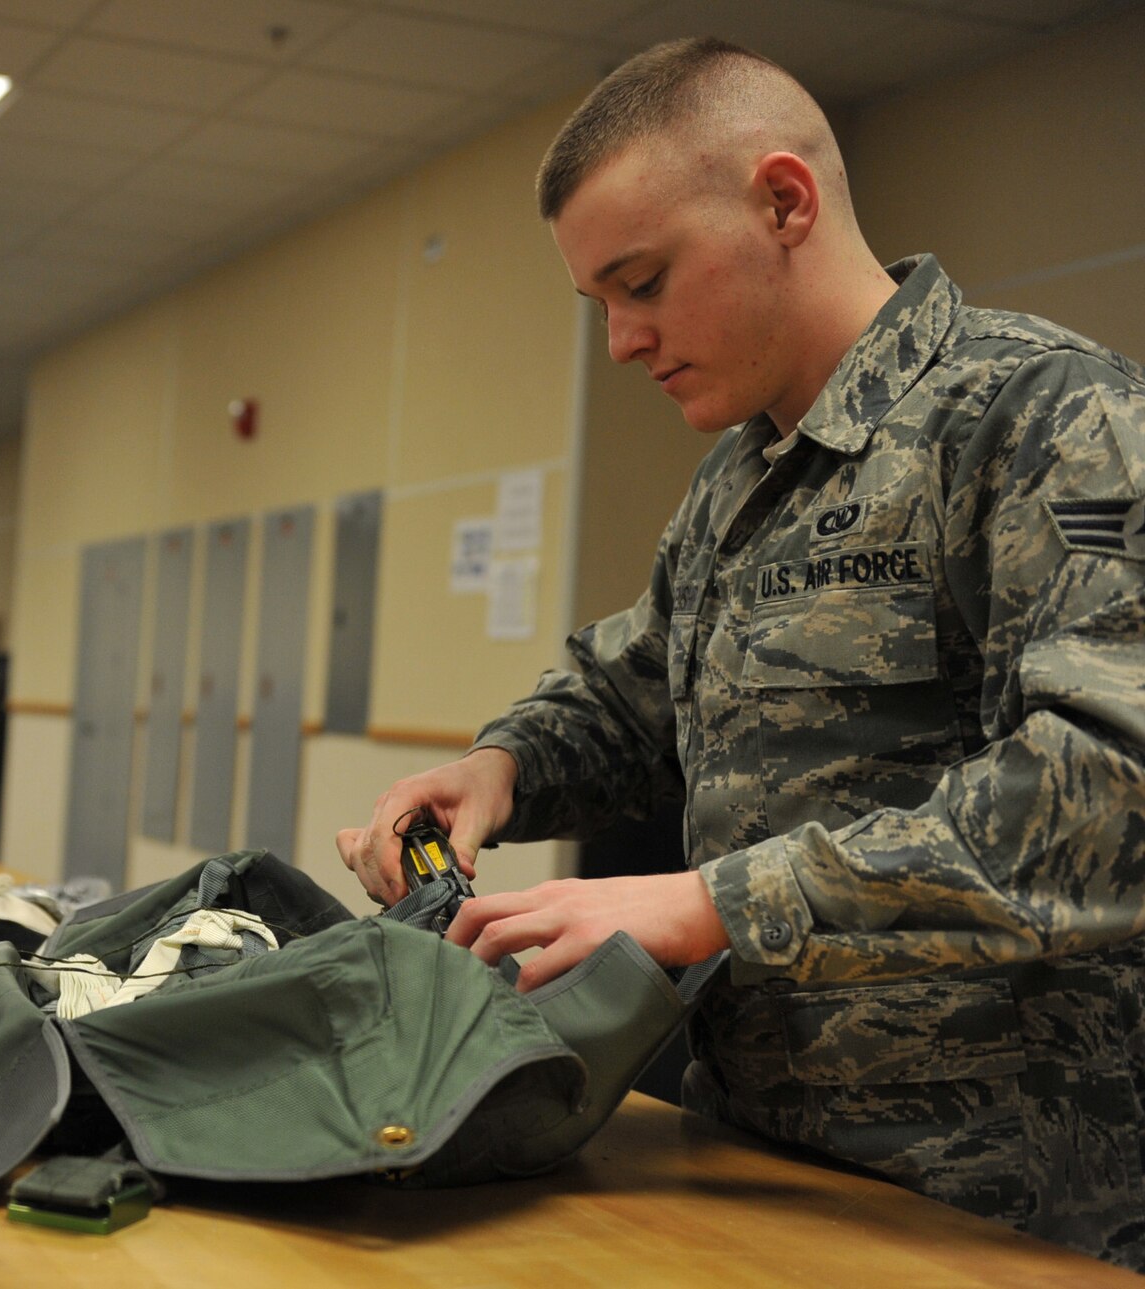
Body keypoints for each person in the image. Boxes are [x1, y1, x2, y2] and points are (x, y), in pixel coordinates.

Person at [338, 37, 1145, 1269]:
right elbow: (634, 691)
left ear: (782, 201)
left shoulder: (1046, 418)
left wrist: (706, 900)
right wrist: (499, 768)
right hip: (753, 1153)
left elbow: (1108, 790)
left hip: (999, 1197)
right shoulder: (739, 482)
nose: (619, 340)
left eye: (643, 281)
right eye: (598, 302)